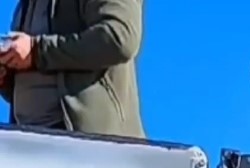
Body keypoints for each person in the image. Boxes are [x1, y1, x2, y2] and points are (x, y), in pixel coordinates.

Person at [0, 0, 145, 138]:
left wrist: (37, 51)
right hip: (25, 141)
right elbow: (33, 65)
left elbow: (119, 37)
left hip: (85, 145)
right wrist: (7, 76)